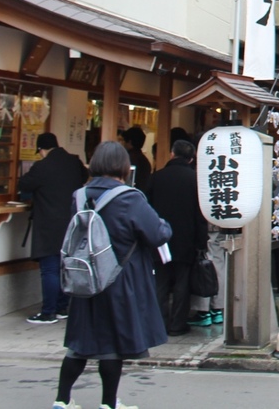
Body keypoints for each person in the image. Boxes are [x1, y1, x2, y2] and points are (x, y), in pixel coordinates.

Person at [53, 140, 170, 409]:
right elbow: (157, 233)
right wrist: (164, 223)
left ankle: (62, 399)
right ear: (123, 167)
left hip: (85, 276)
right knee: (112, 343)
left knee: (81, 340)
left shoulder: (80, 195)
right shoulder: (129, 197)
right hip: (119, 277)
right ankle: (108, 403)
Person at [18, 132, 88, 325]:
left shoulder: (42, 166)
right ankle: (62, 307)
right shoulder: (74, 162)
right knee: (66, 267)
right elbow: (84, 177)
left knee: (49, 269)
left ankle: (48, 311)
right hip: (72, 223)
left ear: (42, 149)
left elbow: (24, 183)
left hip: (49, 224)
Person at [147, 139, 206, 335]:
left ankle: (158, 324)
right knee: (182, 283)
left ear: (172, 154)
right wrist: (201, 241)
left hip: (159, 239)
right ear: (191, 159)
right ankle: (177, 324)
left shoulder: (157, 177)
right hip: (186, 239)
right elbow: (200, 215)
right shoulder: (195, 180)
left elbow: (147, 208)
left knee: (160, 282)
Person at [120, 126, 153, 194]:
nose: (122, 144)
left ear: (129, 142)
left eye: (123, 140)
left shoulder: (127, 159)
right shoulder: (145, 161)